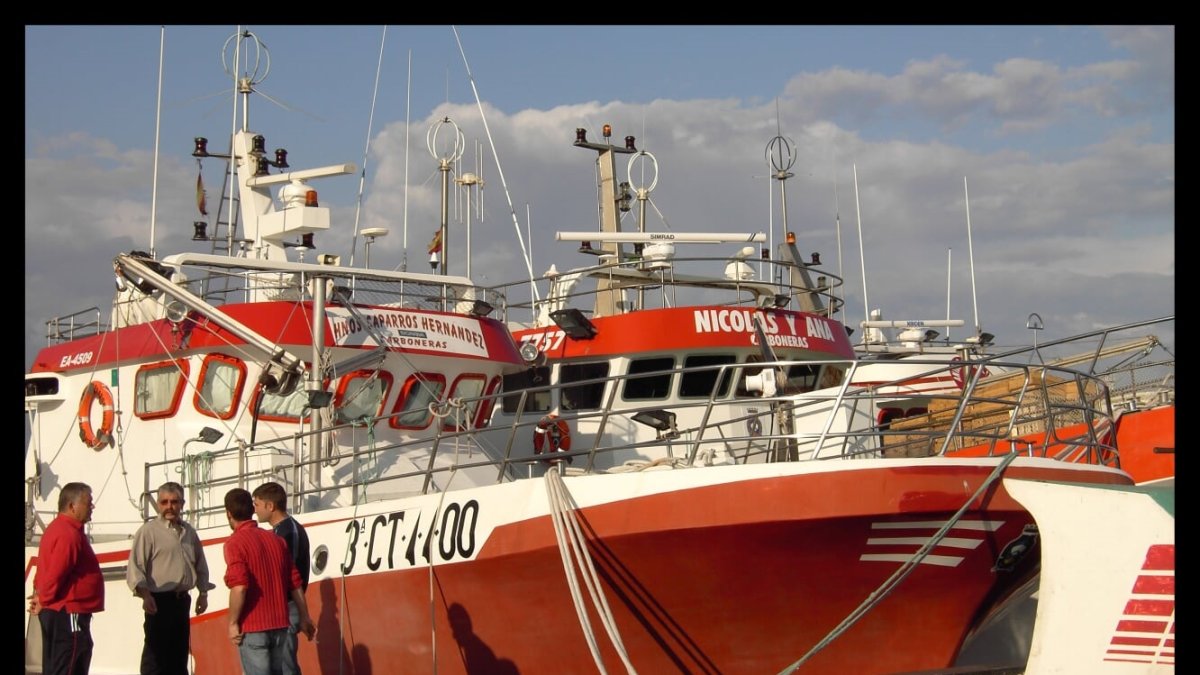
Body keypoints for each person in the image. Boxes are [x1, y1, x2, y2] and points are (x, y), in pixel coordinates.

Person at [223, 488, 315, 675]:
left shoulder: (235, 543)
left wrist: (233, 622)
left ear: (229, 513)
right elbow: (295, 582)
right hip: (280, 624)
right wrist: (305, 616)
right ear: (251, 510)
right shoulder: (275, 539)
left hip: (254, 625)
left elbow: (239, 587)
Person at [126, 481, 213, 675]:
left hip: (182, 602)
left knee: (178, 657)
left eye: (174, 502)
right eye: (164, 502)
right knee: (155, 658)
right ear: (158, 504)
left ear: (182, 503)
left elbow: (200, 564)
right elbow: (135, 568)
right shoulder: (148, 532)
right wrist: (145, 596)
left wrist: (203, 593)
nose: (169, 507)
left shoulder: (189, 532)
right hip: (158, 603)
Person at [29, 482, 105, 675]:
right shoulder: (68, 534)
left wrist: (42, 597)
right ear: (72, 506)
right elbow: (56, 573)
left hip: (61, 610)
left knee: (61, 663)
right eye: (88, 502)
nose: (92, 507)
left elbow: (44, 569)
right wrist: (44, 598)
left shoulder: (59, 529)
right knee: (70, 662)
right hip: (69, 611)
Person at [252, 482, 310, 675]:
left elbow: (287, 572)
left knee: (286, 666)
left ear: (270, 506)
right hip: (280, 607)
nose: (255, 510)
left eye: (257, 504)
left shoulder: (288, 531)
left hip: (286, 606)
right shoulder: (280, 531)